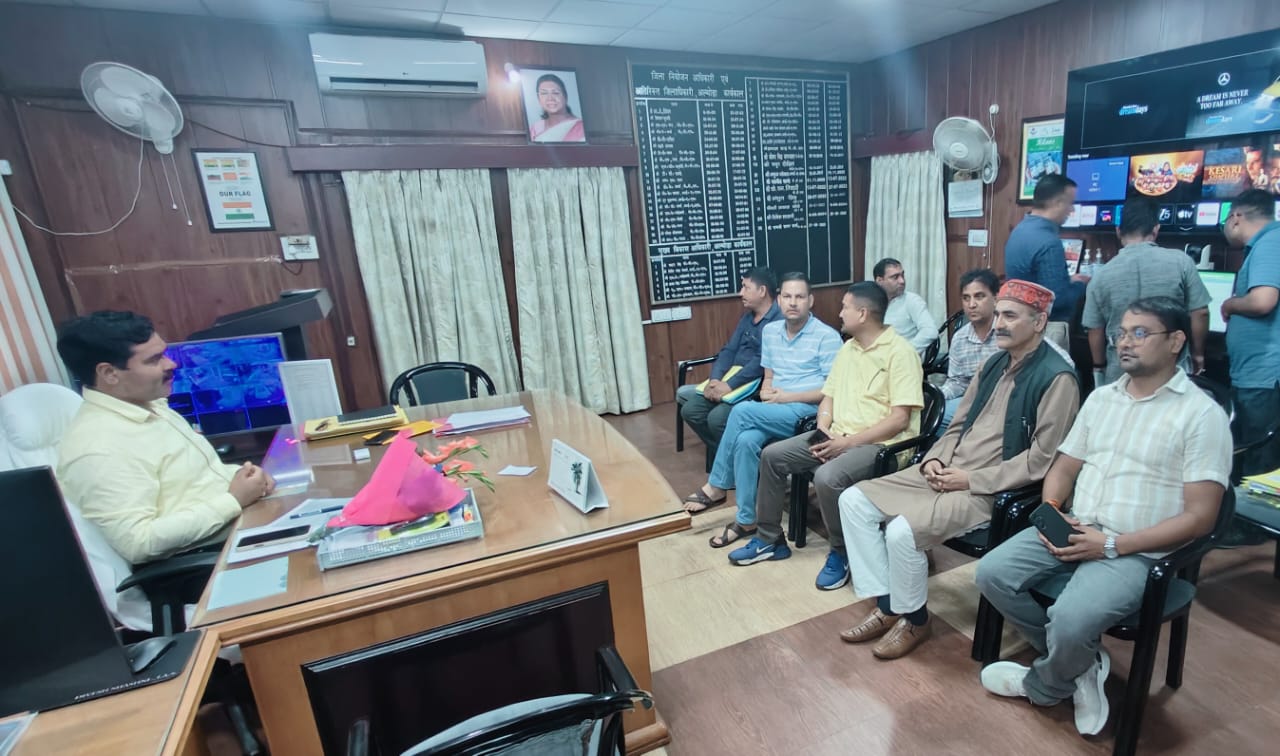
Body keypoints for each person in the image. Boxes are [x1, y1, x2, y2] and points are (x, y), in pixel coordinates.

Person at [975, 297, 1231, 737]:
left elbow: (1201, 518)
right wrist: (1052, 510)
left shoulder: (1200, 416)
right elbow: (1064, 467)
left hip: (1137, 548)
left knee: (1072, 618)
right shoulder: (1102, 399)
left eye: (1139, 333)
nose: (1124, 343)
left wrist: (1111, 544)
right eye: (1120, 333)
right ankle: (1082, 662)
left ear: (1175, 342)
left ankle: (1045, 684)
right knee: (991, 573)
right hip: (1077, 526)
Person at [836, 280, 1080, 659]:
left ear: (1039, 322)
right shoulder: (993, 363)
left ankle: (915, 619)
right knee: (853, 501)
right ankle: (888, 604)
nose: (999, 323)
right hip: (947, 470)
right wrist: (935, 459)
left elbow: (1041, 460)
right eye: (999, 314)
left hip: (990, 488)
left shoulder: (1057, 378)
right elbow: (956, 425)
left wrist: (970, 479)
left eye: (1010, 316)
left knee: (901, 531)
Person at [727, 282, 924, 591]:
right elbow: (828, 397)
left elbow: (899, 419)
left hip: (880, 445)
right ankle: (769, 539)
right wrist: (824, 427)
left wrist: (847, 443)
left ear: (862, 313)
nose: (839, 313)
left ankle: (842, 552)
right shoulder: (848, 349)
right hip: (837, 435)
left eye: (845, 307)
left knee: (827, 476)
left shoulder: (901, 353)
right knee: (772, 456)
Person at [56, 311, 274, 565]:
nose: (171, 364)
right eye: (154, 360)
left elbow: (195, 480)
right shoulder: (98, 447)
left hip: (238, 526)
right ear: (109, 373)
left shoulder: (148, 404)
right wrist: (233, 500)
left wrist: (248, 478)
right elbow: (138, 542)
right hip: (206, 562)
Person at [682, 273, 843, 550]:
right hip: (776, 407)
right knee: (746, 441)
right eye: (788, 296)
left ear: (811, 300)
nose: (793, 303)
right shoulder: (771, 332)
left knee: (742, 411)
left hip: (808, 412)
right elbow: (769, 375)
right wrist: (768, 390)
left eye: (800, 297)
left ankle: (717, 486)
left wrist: (786, 397)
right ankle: (746, 520)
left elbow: (832, 390)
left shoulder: (827, 336)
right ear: (779, 300)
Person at [1082, 196, 1211, 386]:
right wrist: (1198, 354)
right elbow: (1200, 312)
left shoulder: (1101, 275)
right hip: (1170, 369)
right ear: (1156, 229)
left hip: (1121, 372)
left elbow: (1095, 329)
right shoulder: (1181, 262)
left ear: (1118, 231)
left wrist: (1099, 366)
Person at [938, 270, 1074, 435]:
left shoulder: (1013, 334)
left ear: (996, 299)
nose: (971, 304)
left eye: (979, 296)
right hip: (974, 401)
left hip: (1011, 403)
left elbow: (1062, 363)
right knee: (937, 414)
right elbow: (957, 381)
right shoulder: (960, 338)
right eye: (966, 298)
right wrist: (936, 396)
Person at [677, 268, 781, 464]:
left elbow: (761, 362)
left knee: (716, 419)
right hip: (730, 380)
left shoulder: (779, 321)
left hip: (755, 385)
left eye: (746, 287)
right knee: (691, 411)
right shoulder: (747, 317)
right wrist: (715, 379)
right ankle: (728, 459)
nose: (741, 293)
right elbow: (728, 350)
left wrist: (729, 385)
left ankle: (736, 462)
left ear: (762, 291)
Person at [1220, 188, 1280, 474]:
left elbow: (1262, 301)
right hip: (1257, 374)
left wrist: (1230, 304)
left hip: (1264, 376)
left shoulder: (1270, 242)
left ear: (1236, 217)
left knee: (1258, 465)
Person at [1005, 174, 1088, 347]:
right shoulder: (1049, 242)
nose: (1072, 210)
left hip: (1020, 325)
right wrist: (1082, 285)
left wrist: (1067, 281)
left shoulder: (1019, 230)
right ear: (1058, 203)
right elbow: (1057, 302)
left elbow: (1034, 281)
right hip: (1043, 332)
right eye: (1070, 203)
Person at [875, 258, 939, 356]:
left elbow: (930, 331)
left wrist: (905, 351)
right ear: (880, 281)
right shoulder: (870, 302)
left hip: (903, 358)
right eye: (895, 277)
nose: (902, 281)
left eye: (902, 275)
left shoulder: (912, 300)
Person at [528, 73, 585, 143]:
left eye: (555, 93)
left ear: (565, 96)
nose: (550, 98)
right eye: (544, 93)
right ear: (538, 99)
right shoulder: (535, 129)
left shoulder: (580, 127)